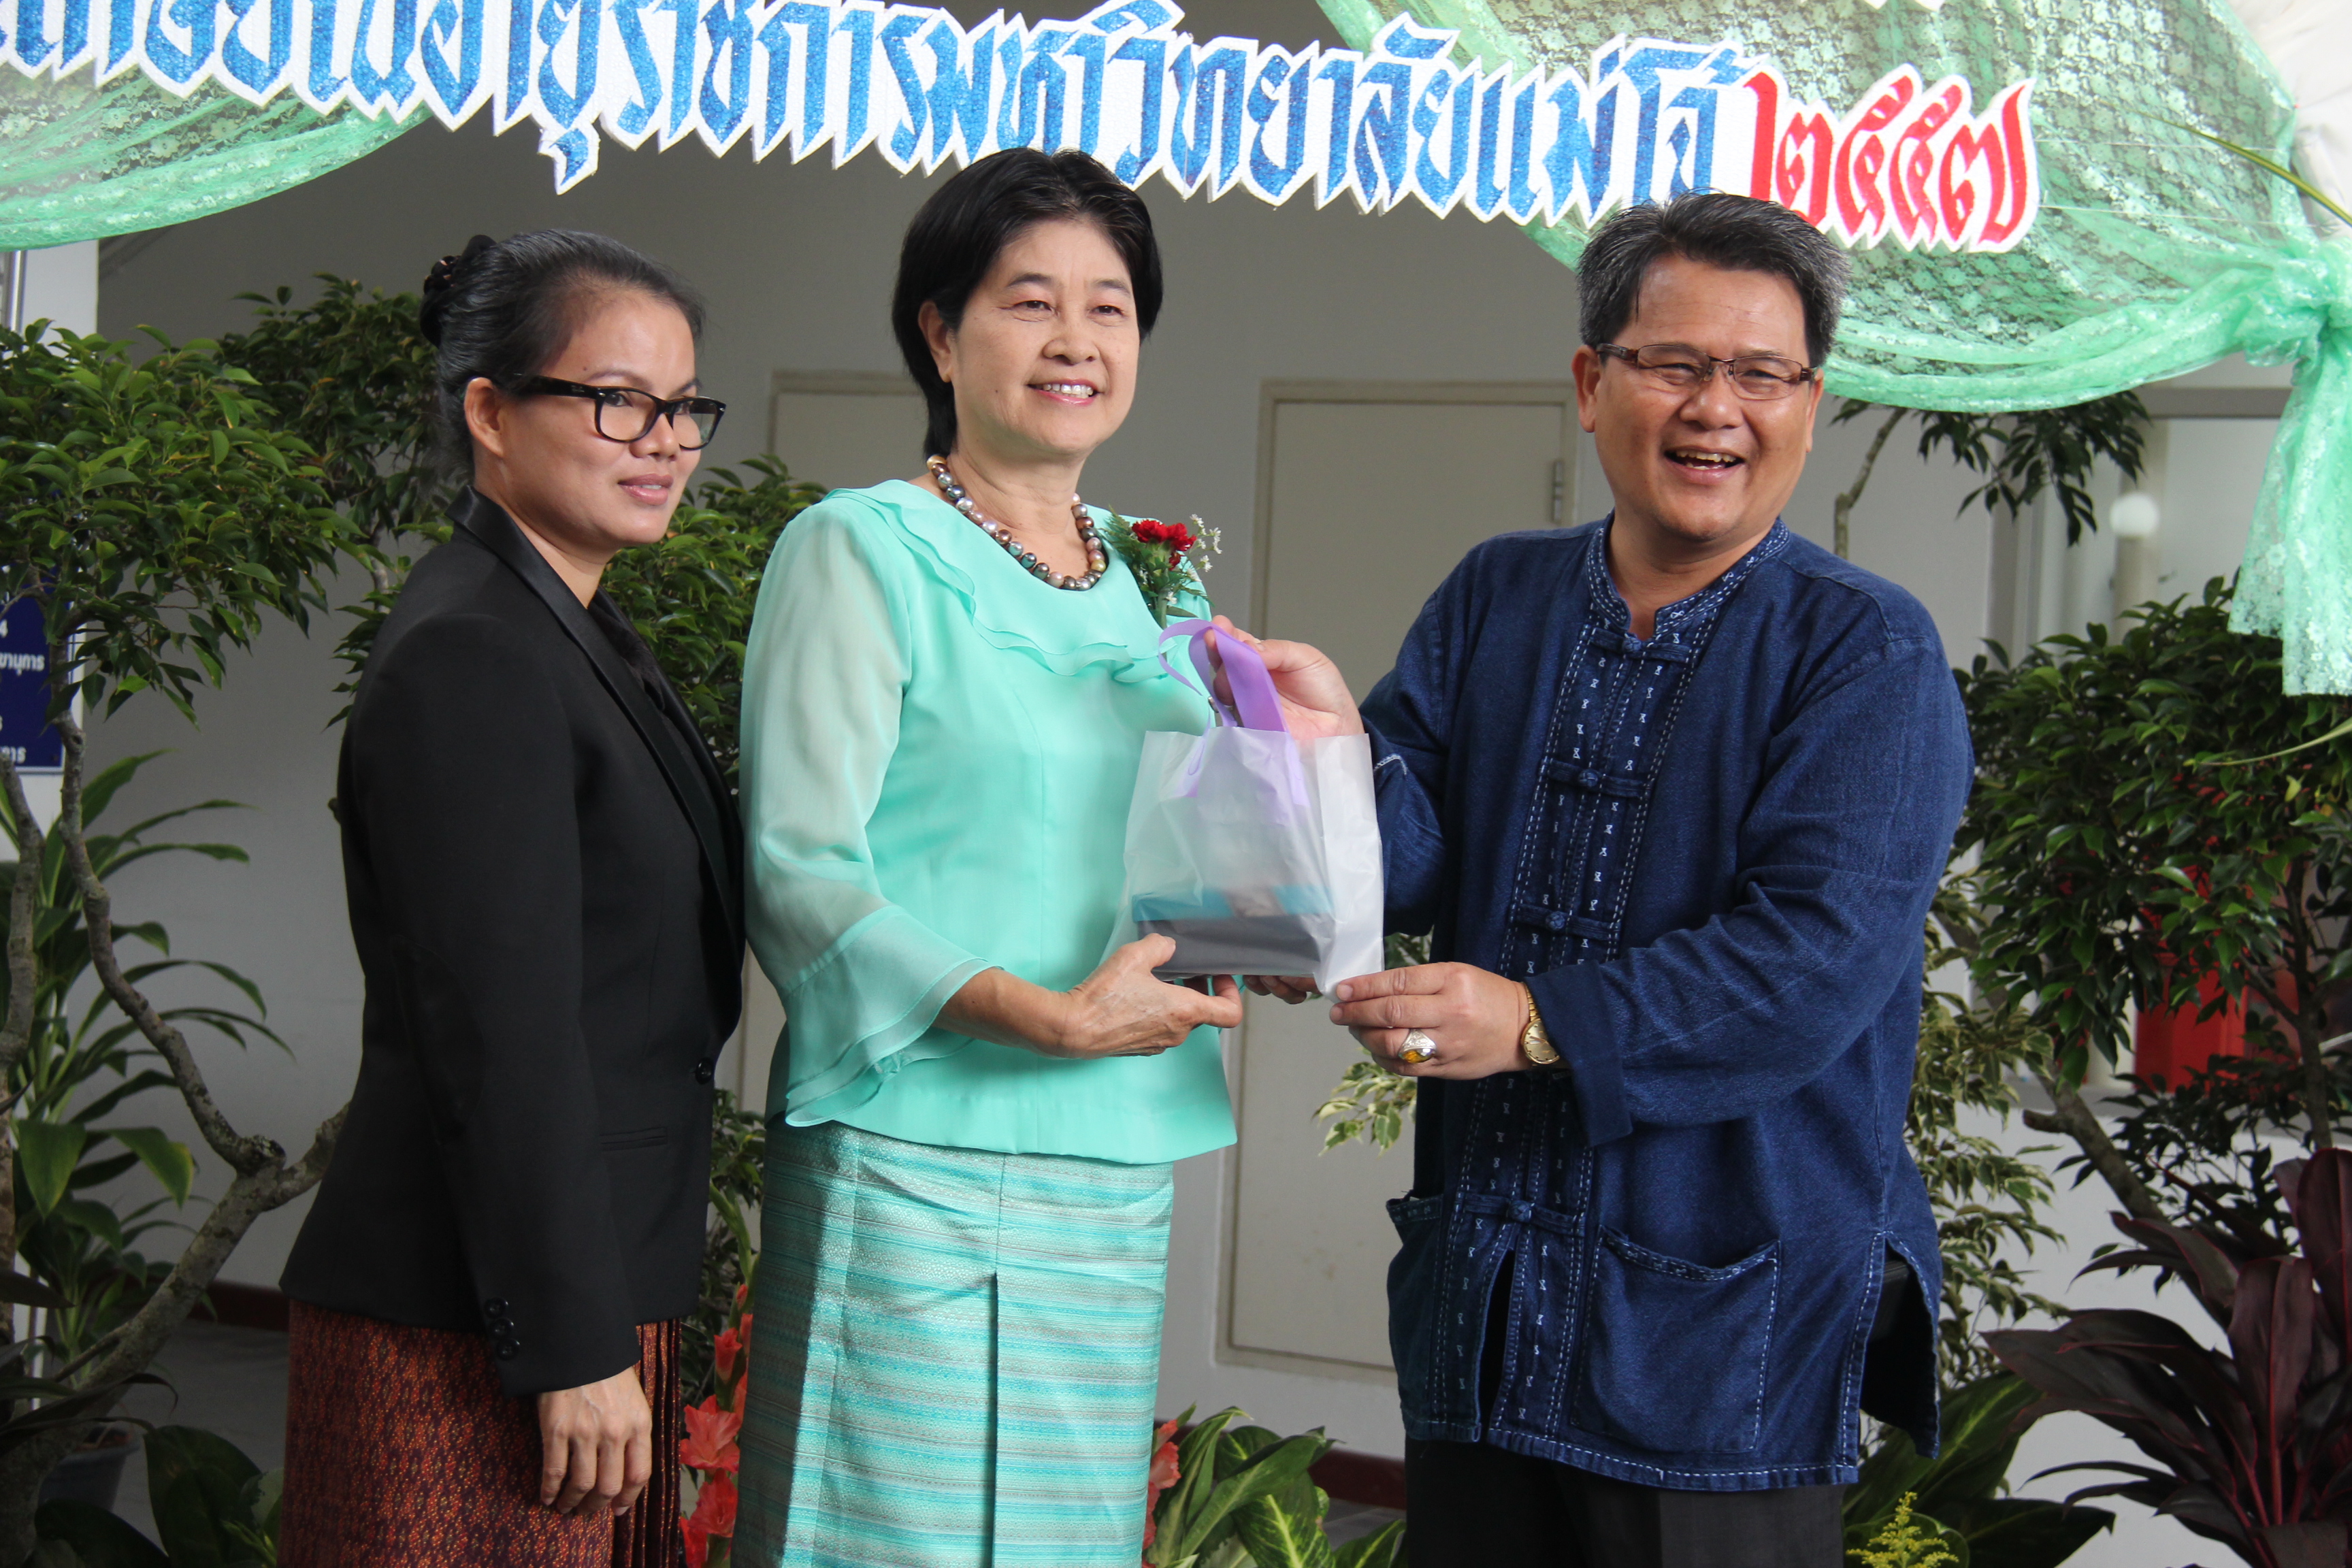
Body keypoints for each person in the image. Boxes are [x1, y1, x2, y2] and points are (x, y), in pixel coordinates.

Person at [1243, 191, 1976, 1567]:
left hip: (1722, 1348)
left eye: (1761, 374)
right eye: (1675, 364)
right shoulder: (1496, 595)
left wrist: (1535, 1022)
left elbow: (1810, 963)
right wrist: (1334, 756)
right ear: (1592, 384)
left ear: (1811, 406)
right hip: (1488, 1303)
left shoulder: (1866, 652)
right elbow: (1407, 853)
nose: (1717, 409)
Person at [730, 148, 1248, 1567]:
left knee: (1064, 1542)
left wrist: (1268, 894)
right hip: (913, 1143)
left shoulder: (1158, 572)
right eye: (1031, 301)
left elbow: (1196, 840)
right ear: (940, 332)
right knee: (879, 1537)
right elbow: (799, 870)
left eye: (1110, 307)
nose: (1076, 339)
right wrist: (1048, 1016)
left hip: (1113, 1154)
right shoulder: (858, 548)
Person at [278, 230, 744, 1567]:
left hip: (569, 1289)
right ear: (490, 413)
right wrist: (576, 1344)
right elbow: (501, 1035)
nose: (664, 443)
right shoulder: (476, 648)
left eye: (683, 408)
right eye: (617, 402)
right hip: (479, 1320)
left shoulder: (570, 626)